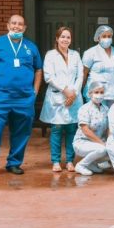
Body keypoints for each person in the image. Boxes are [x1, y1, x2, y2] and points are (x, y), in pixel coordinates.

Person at [0, 15, 43, 178]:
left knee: (21, 132)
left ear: (25, 28)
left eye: (20, 24)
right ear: (8, 25)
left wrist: (35, 91)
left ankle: (14, 163)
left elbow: (38, 69)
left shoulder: (30, 47)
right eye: (14, 23)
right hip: (0, 97)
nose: (17, 26)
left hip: (24, 98)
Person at [40, 27, 84, 172]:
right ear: (57, 38)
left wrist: (74, 93)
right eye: (63, 37)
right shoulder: (50, 55)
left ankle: (70, 160)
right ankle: (56, 161)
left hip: (73, 97)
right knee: (57, 129)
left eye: (68, 37)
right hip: (58, 96)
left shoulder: (76, 55)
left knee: (72, 129)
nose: (65, 40)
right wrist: (65, 90)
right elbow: (48, 76)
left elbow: (80, 75)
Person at [73, 81, 110, 176]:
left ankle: (92, 164)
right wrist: (102, 143)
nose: (99, 95)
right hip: (82, 142)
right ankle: (81, 165)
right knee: (102, 149)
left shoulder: (106, 109)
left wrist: (109, 142)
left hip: (98, 142)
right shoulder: (84, 109)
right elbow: (85, 130)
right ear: (90, 94)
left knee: (113, 149)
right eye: (96, 92)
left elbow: (108, 128)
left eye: (102, 92)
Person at [82, 25, 114, 107]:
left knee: (111, 117)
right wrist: (80, 91)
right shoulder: (90, 52)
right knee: (96, 117)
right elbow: (84, 74)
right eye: (104, 36)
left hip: (112, 92)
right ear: (98, 38)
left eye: (109, 36)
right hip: (96, 92)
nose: (107, 38)